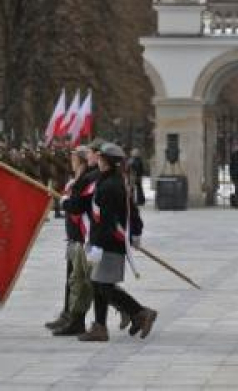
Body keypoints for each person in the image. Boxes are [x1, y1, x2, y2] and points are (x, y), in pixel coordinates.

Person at [78, 143, 157, 342]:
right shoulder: (109, 181)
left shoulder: (109, 186)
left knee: (104, 286)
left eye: (102, 158)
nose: (99, 160)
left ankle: (140, 312)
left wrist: (98, 245)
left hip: (109, 242)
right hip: (107, 241)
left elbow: (106, 221)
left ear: (108, 162)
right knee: (100, 284)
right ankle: (101, 326)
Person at [48, 146, 98, 336]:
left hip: (82, 236)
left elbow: (79, 205)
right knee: (75, 279)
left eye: (74, 157)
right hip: (73, 235)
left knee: (91, 281)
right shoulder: (76, 178)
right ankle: (68, 315)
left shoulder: (87, 179)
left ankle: (133, 310)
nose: (71, 160)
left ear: (82, 160)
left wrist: (65, 202)